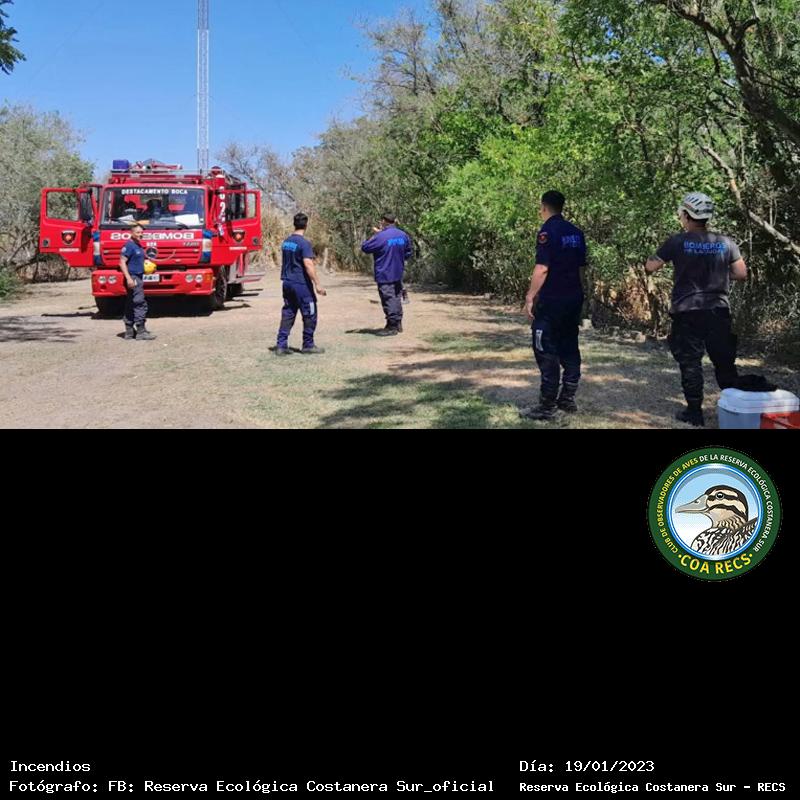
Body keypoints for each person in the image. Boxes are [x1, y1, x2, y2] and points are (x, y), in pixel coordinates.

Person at [646, 193, 748, 427]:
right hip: (718, 310)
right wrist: (718, 274)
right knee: (724, 362)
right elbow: (741, 273)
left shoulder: (677, 241)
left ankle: (694, 413)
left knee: (691, 362)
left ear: (686, 215)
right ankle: (737, 411)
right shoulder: (726, 242)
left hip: (687, 311)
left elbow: (651, 266)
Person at [520, 191, 588, 421]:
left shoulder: (547, 232)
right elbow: (581, 268)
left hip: (552, 300)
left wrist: (530, 296)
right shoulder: (576, 233)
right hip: (573, 298)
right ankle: (567, 398)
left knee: (545, 348)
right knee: (569, 346)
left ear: (544, 207)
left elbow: (542, 268)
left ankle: (547, 405)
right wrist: (580, 296)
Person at [275, 213, 327, 356]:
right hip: (301, 284)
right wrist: (317, 284)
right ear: (306, 225)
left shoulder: (286, 242)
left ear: (294, 224)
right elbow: (308, 264)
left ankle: (281, 345)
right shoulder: (304, 243)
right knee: (310, 312)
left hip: (287, 282)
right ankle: (308, 345)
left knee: (288, 312)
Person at [361, 213, 413, 336]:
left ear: (384, 221)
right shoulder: (403, 235)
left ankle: (392, 327)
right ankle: (397, 323)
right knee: (396, 297)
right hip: (398, 272)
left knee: (388, 299)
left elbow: (365, 247)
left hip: (384, 272)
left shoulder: (381, 236)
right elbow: (408, 252)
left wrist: (375, 235)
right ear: (394, 221)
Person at [119, 224, 156, 341]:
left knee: (131, 303)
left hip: (138, 276)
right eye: (138, 232)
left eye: (141, 232)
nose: (140, 234)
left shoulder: (137, 245)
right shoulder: (129, 246)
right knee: (140, 302)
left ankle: (129, 332)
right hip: (133, 277)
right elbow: (122, 262)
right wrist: (129, 278)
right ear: (132, 233)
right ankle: (141, 331)